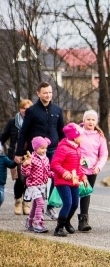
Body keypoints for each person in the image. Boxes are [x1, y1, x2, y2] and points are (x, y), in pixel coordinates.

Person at [14, 83, 65, 220]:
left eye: (50, 92)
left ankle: (51, 206)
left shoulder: (57, 110)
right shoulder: (32, 111)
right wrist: (19, 153)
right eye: (45, 93)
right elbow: (23, 132)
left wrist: (65, 150)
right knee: (36, 180)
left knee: (56, 177)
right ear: (38, 94)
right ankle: (36, 207)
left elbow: (62, 133)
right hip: (36, 152)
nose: (48, 95)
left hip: (53, 150)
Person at [51, 123, 88, 237]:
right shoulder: (63, 148)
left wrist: (83, 176)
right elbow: (54, 164)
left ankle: (66, 221)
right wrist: (64, 172)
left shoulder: (77, 149)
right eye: (81, 136)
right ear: (74, 137)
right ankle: (59, 228)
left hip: (74, 181)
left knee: (75, 204)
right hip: (62, 181)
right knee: (68, 203)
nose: (83, 138)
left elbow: (78, 166)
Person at [77, 110, 108, 232]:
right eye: (88, 119)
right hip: (77, 169)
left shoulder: (99, 137)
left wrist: (99, 166)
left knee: (86, 193)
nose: (90, 121)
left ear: (96, 122)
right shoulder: (78, 133)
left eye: (93, 119)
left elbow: (104, 154)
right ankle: (66, 219)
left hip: (92, 170)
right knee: (74, 194)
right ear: (83, 120)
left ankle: (83, 220)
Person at [1, 98, 33, 215]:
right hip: (16, 154)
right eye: (24, 108)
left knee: (30, 179)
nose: (26, 110)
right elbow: (3, 137)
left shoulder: (34, 122)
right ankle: (18, 201)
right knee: (20, 179)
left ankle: (27, 203)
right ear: (20, 109)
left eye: (28, 109)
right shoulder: (13, 122)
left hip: (30, 154)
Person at [19, 136, 51, 234]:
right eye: (42, 148)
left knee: (36, 205)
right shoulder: (31, 159)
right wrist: (25, 165)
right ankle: (38, 223)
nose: (44, 150)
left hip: (42, 185)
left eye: (45, 148)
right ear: (35, 148)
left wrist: (54, 174)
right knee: (41, 203)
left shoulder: (46, 159)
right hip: (33, 185)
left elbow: (47, 172)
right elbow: (26, 173)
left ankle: (29, 222)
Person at [0, 144, 17, 210]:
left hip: (1, 183)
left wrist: (15, 162)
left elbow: (11, 165)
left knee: (1, 197)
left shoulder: (4, 158)